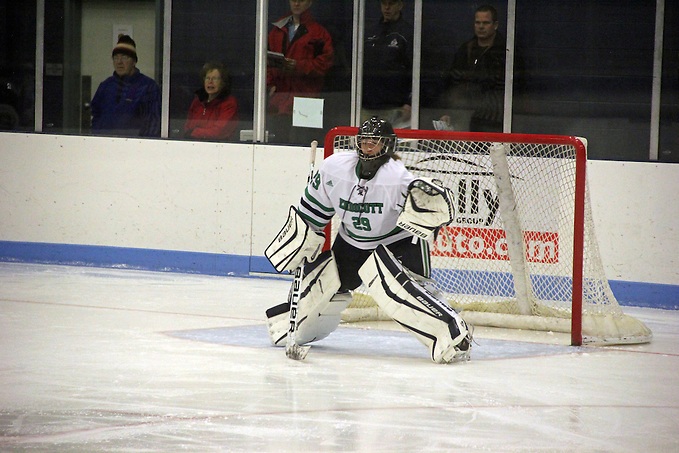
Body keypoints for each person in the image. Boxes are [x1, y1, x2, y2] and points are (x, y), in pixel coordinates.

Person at [264, 117, 472, 364]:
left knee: (398, 290)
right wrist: (303, 239)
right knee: (319, 287)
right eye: (363, 141)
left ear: (387, 146)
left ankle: (453, 333)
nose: (367, 147)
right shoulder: (334, 169)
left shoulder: (396, 179)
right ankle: (291, 326)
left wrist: (430, 212)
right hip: (351, 244)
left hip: (396, 244)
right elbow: (311, 214)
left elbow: (425, 219)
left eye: (374, 143)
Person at [266, 0, 334, 144]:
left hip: (307, 97)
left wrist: (299, 66)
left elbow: (325, 64)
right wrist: (269, 84)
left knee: (306, 142)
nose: (296, 3)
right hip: (280, 98)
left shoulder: (318, 33)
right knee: (278, 143)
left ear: (310, 2)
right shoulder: (277, 29)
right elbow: (264, 61)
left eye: (301, 0)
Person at [440, 5, 505, 133]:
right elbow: (453, 82)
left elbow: (514, 86)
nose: (481, 26)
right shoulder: (466, 50)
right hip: (469, 116)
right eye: (478, 22)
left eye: (485, 23)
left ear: (495, 25)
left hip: (497, 120)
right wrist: (448, 111)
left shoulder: (505, 51)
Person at [90, 34, 161, 137]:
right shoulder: (105, 86)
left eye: (124, 57)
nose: (119, 62)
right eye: (115, 58)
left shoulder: (148, 87)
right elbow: (95, 114)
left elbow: (153, 123)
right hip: (105, 146)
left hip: (134, 148)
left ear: (134, 62)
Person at [362, 0, 413, 129]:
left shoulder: (407, 34)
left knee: (393, 146)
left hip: (395, 107)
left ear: (400, 5)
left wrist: (409, 102)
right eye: (384, 3)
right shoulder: (370, 32)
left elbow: (416, 71)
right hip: (368, 105)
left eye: (391, 3)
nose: (387, 7)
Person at [183, 62, 239, 141]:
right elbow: (187, 127)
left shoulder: (229, 103)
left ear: (223, 82)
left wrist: (195, 132)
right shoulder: (198, 101)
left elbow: (218, 132)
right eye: (207, 78)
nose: (210, 81)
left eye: (215, 78)